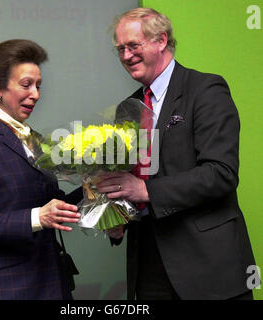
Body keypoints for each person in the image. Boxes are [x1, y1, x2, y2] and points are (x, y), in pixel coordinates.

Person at [97, 8, 256, 300]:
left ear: (161, 40)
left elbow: (221, 173)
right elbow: (129, 180)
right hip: (148, 267)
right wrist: (115, 218)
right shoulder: (127, 108)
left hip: (209, 269)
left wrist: (145, 190)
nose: (126, 56)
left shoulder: (206, 89)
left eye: (134, 46)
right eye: (120, 49)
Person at [0, 39, 82, 300]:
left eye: (38, 86)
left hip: (49, 281)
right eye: (26, 85)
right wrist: (37, 218)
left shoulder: (36, 140)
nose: (36, 94)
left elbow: (50, 207)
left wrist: (94, 193)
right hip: (3, 288)